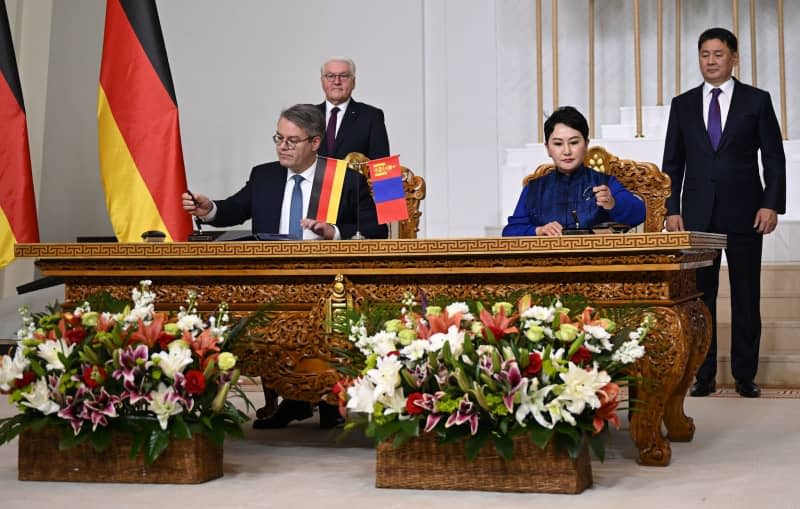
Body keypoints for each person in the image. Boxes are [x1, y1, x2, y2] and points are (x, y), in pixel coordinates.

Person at [182, 104, 388, 428]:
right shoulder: (264, 175)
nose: (282, 146)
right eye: (279, 138)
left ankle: (328, 398)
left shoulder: (344, 180)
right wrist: (209, 210)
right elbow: (234, 209)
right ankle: (293, 399)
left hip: (327, 284)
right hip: (271, 281)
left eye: (292, 140)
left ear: (315, 143)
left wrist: (332, 232)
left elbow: (377, 231)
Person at [662, 28, 785, 399]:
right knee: (701, 298)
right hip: (698, 216)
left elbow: (774, 159)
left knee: (746, 295)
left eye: (718, 54)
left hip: (747, 212)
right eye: (704, 54)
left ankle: (745, 375)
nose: (710, 61)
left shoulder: (756, 101)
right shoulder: (681, 104)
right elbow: (673, 163)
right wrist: (671, 209)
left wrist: (771, 203)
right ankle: (704, 374)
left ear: (733, 57)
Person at [502, 106, 645, 237]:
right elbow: (510, 232)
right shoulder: (534, 188)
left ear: (586, 145)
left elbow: (639, 213)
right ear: (547, 149)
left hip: (596, 261)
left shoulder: (604, 183)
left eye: (574, 142)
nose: (567, 151)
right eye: (558, 144)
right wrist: (538, 230)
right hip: (547, 262)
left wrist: (613, 203)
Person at [316, 57, 390, 160]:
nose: (337, 81)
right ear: (322, 81)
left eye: (344, 76)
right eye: (330, 76)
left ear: (353, 82)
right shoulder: (307, 115)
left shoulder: (371, 116)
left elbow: (381, 166)